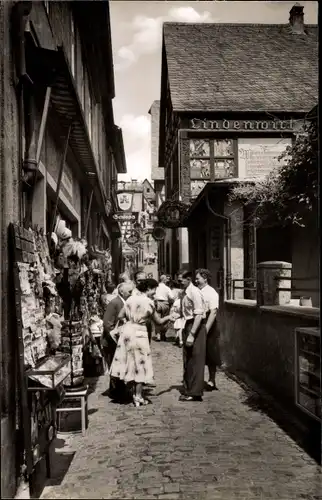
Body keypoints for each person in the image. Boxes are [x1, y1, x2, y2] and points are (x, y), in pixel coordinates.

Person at [110, 278, 171, 407]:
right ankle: (138, 396)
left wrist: (130, 319)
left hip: (127, 332)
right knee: (140, 363)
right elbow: (158, 322)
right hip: (140, 334)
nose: (155, 293)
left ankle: (133, 393)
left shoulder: (130, 299)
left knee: (130, 362)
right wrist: (169, 317)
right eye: (154, 290)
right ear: (148, 289)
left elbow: (120, 316)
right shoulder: (149, 302)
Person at [102, 281, 135, 400]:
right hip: (112, 341)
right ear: (122, 291)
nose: (131, 293)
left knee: (120, 366)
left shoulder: (124, 301)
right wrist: (116, 336)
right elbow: (107, 323)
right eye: (129, 291)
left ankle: (121, 391)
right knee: (115, 366)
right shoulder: (115, 302)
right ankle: (116, 393)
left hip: (119, 340)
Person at [177, 270, 207, 402]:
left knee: (195, 360)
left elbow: (199, 314)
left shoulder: (194, 292)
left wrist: (192, 334)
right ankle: (189, 389)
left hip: (196, 326)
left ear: (188, 279)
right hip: (188, 324)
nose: (179, 282)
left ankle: (195, 392)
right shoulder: (185, 292)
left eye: (181, 280)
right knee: (188, 359)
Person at [195, 269, 220, 391]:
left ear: (205, 279)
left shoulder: (211, 292)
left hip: (208, 324)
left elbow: (213, 312)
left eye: (198, 278)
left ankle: (211, 380)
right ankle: (197, 379)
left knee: (210, 353)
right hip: (197, 322)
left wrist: (206, 329)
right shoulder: (196, 291)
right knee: (197, 353)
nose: (196, 280)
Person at [154, 275, 174, 341]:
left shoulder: (156, 287)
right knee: (165, 320)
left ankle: (158, 335)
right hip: (165, 303)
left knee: (157, 319)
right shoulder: (167, 288)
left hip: (157, 303)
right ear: (165, 280)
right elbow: (171, 297)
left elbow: (153, 295)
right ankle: (163, 334)